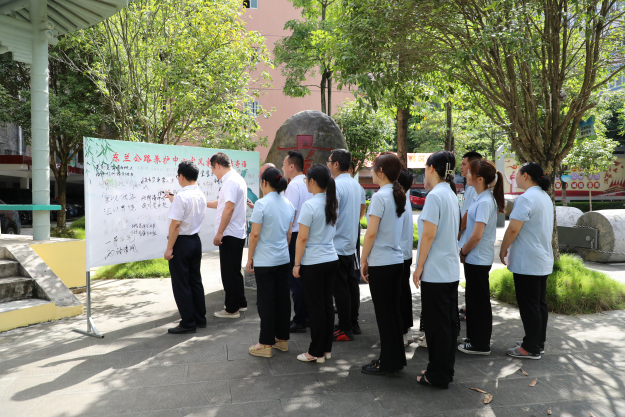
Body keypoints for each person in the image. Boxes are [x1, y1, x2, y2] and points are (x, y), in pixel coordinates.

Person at [413, 151, 460, 389]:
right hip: (448, 270)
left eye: (425, 168)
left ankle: (438, 374)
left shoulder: (435, 196)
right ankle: (443, 369)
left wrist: (418, 266)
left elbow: (429, 235)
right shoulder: (450, 193)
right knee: (448, 324)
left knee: (436, 326)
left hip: (436, 271)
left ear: (432, 168)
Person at [499, 162, 554, 360]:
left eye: (517, 173)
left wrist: (503, 248)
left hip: (527, 261)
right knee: (539, 304)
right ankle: (537, 342)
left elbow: (513, 228)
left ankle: (530, 348)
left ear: (525, 176)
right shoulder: (544, 196)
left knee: (529, 306)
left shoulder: (526, 198)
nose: (514, 176)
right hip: (541, 259)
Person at [360, 152, 407, 375]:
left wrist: (363, 259)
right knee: (394, 314)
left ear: (380, 171)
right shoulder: (398, 194)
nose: (371, 171)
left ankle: (388, 362)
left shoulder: (380, 197)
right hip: (396, 261)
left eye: (373, 168)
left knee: (385, 315)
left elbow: (371, 233)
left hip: (382, 263)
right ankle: (395, 360)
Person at [246, 168, 295, 358]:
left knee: (266, 301)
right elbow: (289, 234)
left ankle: (265, 344)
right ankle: (282, 340)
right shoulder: (288, 204)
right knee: (283, 299)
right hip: (283, 259)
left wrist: (250, 257)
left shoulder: (261, 204)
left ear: (265, 183)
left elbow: (255, 234)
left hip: (265, 260)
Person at [457, 159, 505, 356]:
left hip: (477, 257)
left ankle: (481, 344)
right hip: (474, 258)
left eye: (470, 172)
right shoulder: (481, 198)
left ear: (480, 179)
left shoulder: (485, 202)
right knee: (473, 300)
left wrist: (463, 251)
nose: (466, 175)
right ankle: (474, 338)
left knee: (479, 302)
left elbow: (476, 235)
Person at [293, 164, 339, 363]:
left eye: (306, 180)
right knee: (327, 305)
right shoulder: (332, 202)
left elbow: (302, 238)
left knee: (316, 308)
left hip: (314, 262)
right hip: (331, 258)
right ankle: (326, 349)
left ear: (312, 181)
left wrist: (296, 264)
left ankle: (315, 352)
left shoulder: (310, 205)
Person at [327, 149, 367, 341]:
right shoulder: (356, 185)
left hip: (337, 244)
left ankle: (345, 328)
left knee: (340, 287)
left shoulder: (335, 185)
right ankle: (353, 323)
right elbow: (362, 208)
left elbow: (331, 216)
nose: (328, 164)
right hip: (351, 243)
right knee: (351, 284)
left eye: (329, 161)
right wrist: (351, 223)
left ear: (336, 164)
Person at [163, 161, 207, 334]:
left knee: (181, 283)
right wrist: (174, 200)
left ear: (181, 176)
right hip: (195, 241)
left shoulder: (181, 197)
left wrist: (169, 248)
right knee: (195, 280)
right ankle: (200, 318)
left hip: (181, 244)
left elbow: (176, 225)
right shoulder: (200, 194)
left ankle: (188, 322)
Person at [207, 152, 248, 318]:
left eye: (212, 169)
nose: (213, 172)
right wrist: (203, 203)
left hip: (229, 233)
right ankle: (240, 302)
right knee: (235, 270)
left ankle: (232, 309)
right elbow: (223, 203)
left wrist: (220, 232)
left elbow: (229, 208)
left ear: (217, 165)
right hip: (236, 232)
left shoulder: (230, 181)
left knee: (229, 273)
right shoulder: (237, 179)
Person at [283, 151, 313, 333]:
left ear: (292, 166)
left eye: (284, 164)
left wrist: (286, 238)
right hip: (309, 235)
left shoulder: (294, 185)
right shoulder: (309, 182)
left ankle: (300, 319)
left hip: (295, 235)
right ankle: (307, 316)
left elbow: (290, 214)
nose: (283, 168)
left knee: (295, 278)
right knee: (305, 278)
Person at [458, 151, 482, 321]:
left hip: (471, 241)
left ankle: (472, 310)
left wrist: (459, 228)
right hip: (467, 239)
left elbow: (468, 212)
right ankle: (469, 306)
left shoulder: (475, 187)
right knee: (469, 277)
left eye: (464, 164)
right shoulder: (469, 185)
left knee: (473, 279)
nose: (461, 167)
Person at [398, 169, 415, 347]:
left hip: (400, 256)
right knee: (404, 293)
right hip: (406, 254)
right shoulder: (406, 199)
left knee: (400, 295)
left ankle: (403, 331)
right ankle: (407, 330)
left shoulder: (400, 201)